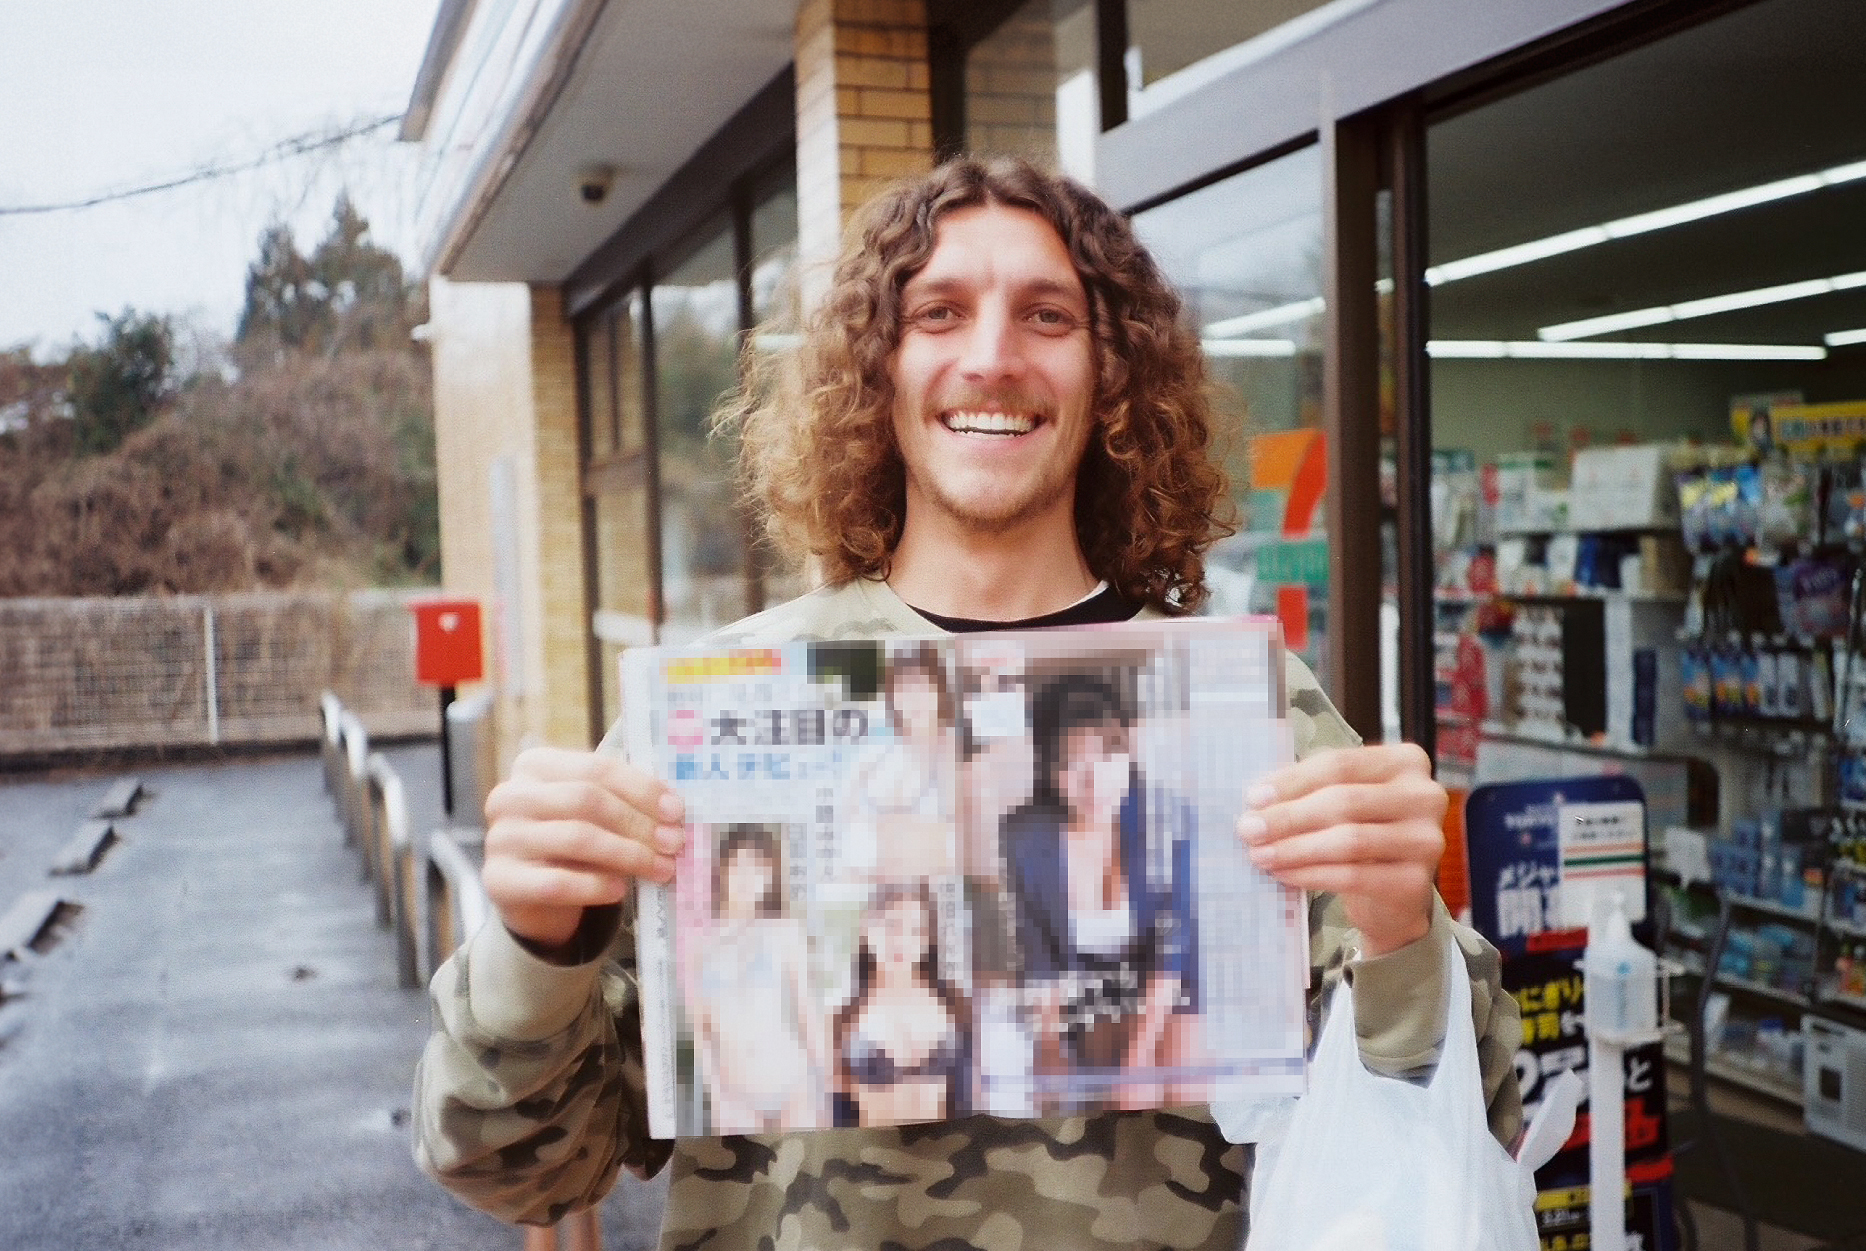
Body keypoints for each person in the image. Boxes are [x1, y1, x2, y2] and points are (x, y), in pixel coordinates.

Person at [414, 155, 1523, 1251]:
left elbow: (1473, 1132)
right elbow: (515, 1168)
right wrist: (535, 942)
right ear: (876, 369)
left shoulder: (1246, 711)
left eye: (1048, 316)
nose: (991, 358)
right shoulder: (725, 720)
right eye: (937, 312)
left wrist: (1400, 931)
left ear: (1112, 375)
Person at [1001, 671, 1203, 1111]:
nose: (1093, 780)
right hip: (1088, 984)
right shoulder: (1024, 838)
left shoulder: (1167, 818)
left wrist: (1138, 1058)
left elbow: (1175, 946)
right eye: (1071, 763)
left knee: (1176, 1086)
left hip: (1169, 978)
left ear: (1128, 755)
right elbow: (1038, 954)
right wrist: (1049, 1046)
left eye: (1108, 756)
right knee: (1081, 1096)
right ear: (1049, 771)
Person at [687, 825, 825, 1133]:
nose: (748, 877)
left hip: (793, 1083)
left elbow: (808, 1014)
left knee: (807, 1162)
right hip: (735, 1095)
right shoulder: (700, 944)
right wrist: (718, 1098)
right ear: (722, 870)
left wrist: (829, 1083)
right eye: (739, 865)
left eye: (759, 868)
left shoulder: (785, 931)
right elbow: (700, 1031)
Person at [830, 881, 974, 1127]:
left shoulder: (953, 1003)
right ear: (867, 926)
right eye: (892, 925)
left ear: (928, 939)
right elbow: (833, 1104)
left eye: (916, 930)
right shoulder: (844, 1016)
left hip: (945, 1145)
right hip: (875, 1146)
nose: (901, 940)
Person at [838, 646, 958, 880]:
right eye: (903, 688)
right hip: (876, 885)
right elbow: (843, 828)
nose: (914, 699)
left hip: (934, 886)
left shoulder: (957, 753)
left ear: (940, 689)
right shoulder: (873, 757)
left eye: (921, 685)